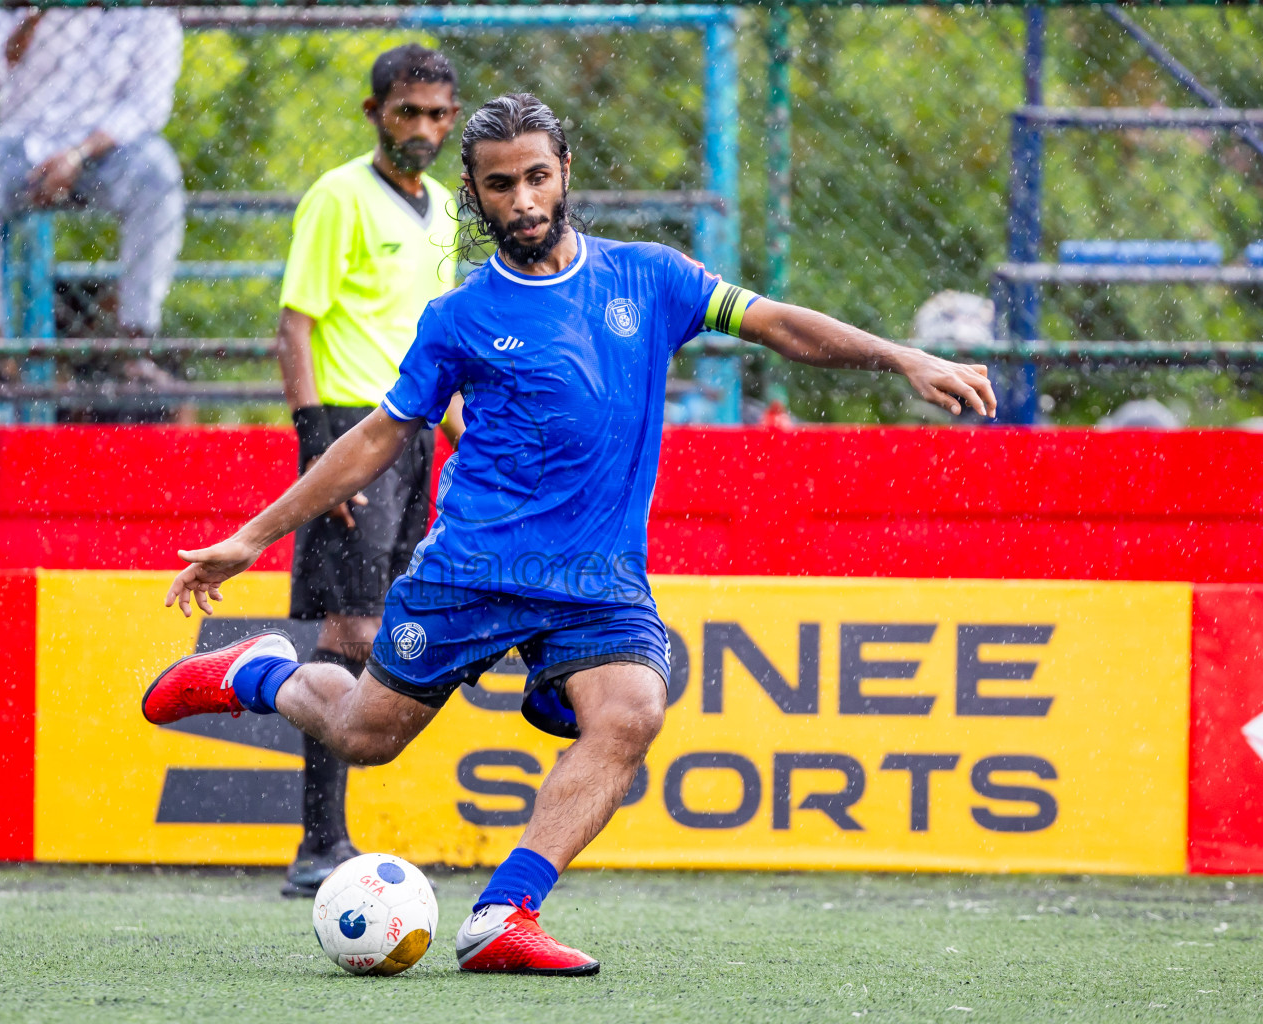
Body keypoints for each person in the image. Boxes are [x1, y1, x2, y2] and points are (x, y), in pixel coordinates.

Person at [145, 94, 997, 976]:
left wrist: (903, 356)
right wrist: (253, 535)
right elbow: (377, 436)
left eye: (537, 177)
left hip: (598, 576)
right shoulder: (459, 318)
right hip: (472, 570)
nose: (523, 200)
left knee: (632, 710)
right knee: (367, 734)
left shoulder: (651, 277)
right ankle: (259, 673)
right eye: (500, 185)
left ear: (565, 176)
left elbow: (776, 323)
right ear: (473, 198)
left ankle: (504, 914)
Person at [271, 43, 463, 898]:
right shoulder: (339, 197)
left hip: (416, 434)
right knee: (347, 632)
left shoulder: (450, 210)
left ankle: (329, 839)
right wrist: (320, 449)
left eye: (437, 114)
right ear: (374, 112)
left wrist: (471, 437)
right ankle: (319, 842)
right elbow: (295, 327)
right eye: (406, 112)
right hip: (354, 428)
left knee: (379, 621)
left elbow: (439, 345)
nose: (422, 128)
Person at [0, 7, 184, 343]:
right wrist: (27, 26)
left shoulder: (146, 13)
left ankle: (138, 340)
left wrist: (78, 154)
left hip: (109, 150)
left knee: (159, 177)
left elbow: (148, 105)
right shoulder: (12, 10)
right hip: (22, 143)